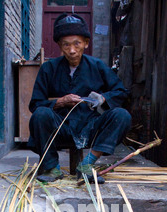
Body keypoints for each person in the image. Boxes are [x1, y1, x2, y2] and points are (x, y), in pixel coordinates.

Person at [28, 13, 132, 184]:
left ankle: (86, 165)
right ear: (60, 46)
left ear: (86, 43)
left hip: (91, 128)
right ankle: (52, 167)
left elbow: (121, 91)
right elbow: (35, 104)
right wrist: (60, 101)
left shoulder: (97, 66)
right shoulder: (48, 68)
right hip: (61, 128)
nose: (72, 50)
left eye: (77, 43)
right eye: (66, 45)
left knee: (122, 115)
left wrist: (103, 98)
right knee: (40, 114)